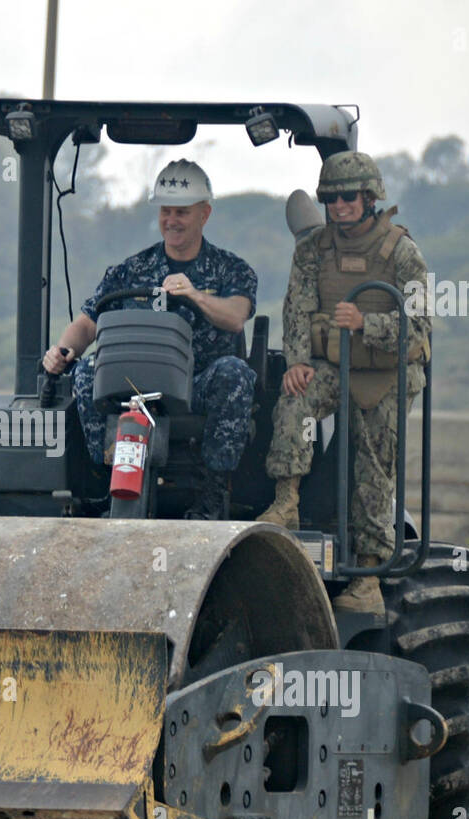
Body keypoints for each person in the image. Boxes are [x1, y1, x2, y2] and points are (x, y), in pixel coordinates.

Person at [257, 152, 431, 614]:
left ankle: (369, 576)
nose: (339, 205)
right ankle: (286, 503)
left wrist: (366, 325)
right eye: (330, 197)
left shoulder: (402, 253)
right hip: (336, 364)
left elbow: (420, 328)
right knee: (294, 398)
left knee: (373, 457)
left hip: (385, 372)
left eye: (348, 196)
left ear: (370, 198)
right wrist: (297, 361)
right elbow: (296, 311)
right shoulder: (313, 249)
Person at [42, 159, 258, 519]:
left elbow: (236, 316)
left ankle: (212, 495)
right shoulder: (131, 270)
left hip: (196, 385)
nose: (171, 220)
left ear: (204, 214)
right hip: (134, 385)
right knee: (86, 370)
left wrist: (194, 295)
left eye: (181, 212)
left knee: (234, 373)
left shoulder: (231, 269)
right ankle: (105, 481)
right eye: (166, 211)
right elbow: (87, 323)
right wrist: (62, 351)